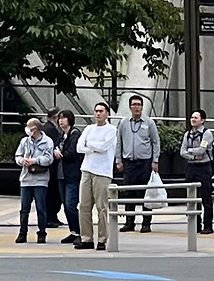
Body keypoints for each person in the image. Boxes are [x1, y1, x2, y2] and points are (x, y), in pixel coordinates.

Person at [76, 100, 118, 251]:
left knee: (102, 207)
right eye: (96, 111)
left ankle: (102, 239)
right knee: (84, 206)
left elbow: (103, 147)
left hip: (102, 172)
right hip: (87, 170)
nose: (98, 113)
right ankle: (86, 238)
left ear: (107, 114)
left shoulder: (111, 129)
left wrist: (89, 144)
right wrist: (93, 146)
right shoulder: (88, 128)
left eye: (101, 111)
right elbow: (79, 147)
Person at [115, 94, 160, 234]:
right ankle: (129, 222)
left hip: (145, 162)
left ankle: (146, 223)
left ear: (142, 107)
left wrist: (155, 160)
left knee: (146, 194)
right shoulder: (124, 123)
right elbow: (119, 142)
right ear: (130, 107)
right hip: (129, 163)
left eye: (139, 105)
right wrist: (118, 160)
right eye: (134, 104)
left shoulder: (149, 123)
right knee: (129, 193)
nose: (136, 107)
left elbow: (155, 142)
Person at [15, 117, 56, 244]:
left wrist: (35, 161)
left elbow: (49, 159)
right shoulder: (25, 141)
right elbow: (17, 155)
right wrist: (22, 161)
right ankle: (22, 233)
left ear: (35, 128)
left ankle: (42, 233)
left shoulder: (47, 141)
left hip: (40, 180)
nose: (27, 129)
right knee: (24, 208)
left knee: (41, 207)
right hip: (26, 179)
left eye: (29, 126)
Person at [180, 109, 214, 235]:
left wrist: (189, 151)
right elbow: (182, 151)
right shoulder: (187, 134)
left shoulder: (207, 134)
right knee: (191, 197)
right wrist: (193, 156)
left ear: (202, 120)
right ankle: (195, 224)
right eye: (192, 117)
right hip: (191, 167)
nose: (193, 120)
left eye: (196, 118)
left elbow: (202, 150)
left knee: (206, 197)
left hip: (204, 167)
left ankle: (208, 225)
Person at [56, 109, 83, 244]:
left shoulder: (75, 134)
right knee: (66, 206)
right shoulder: (62, 135)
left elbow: (72, 153)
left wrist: (60, 153)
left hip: (72, 175)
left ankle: (79, 232)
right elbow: (56, 147)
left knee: (71, 204)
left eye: (63, 118)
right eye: (59, 118)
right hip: (61, 174)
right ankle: (73, 231)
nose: (60, 121)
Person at [41, 109, 65, 228]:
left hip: (51, 167)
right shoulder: (50, 130)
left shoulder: (48, 128)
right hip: (52, 168)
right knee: (52, 194)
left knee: (53, 194)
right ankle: (50, 217)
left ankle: (52, 217)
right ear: (56, 118)